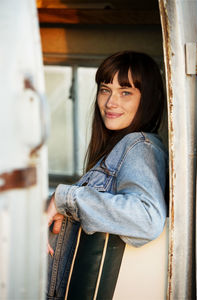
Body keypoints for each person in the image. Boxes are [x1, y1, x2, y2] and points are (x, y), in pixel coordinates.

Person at [46, 51, 168, 300]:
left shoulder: (139, 145)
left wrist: (66, 199)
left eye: (126, 92)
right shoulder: (121, 146)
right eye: (105, 89)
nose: (111, 102)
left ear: (148, 100)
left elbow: (146, 218)